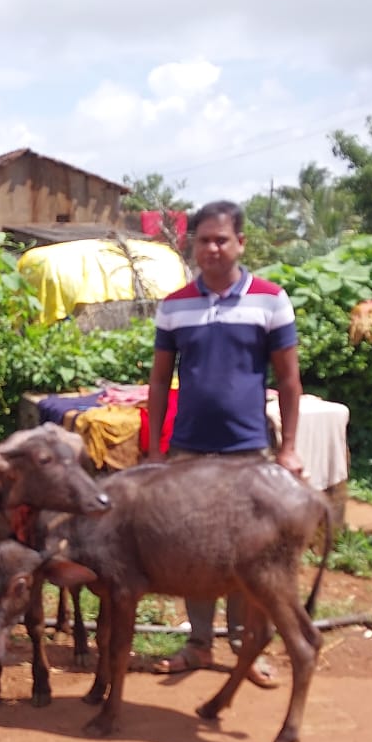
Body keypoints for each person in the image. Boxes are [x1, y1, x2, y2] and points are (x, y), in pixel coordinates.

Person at [146, 200, 306, 688]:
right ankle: (198, 642)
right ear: (191, 245)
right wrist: (155, 450)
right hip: (189, 449)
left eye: (221, 240)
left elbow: (289, 380)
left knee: (249, 550)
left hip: (248, 449)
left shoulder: (271, 299)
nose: (212, 249)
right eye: (203, 240)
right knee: (190, 547)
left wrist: (288, 448)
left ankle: (244, 645)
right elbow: (159, 381)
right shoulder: (174, 305)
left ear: (240, 243)